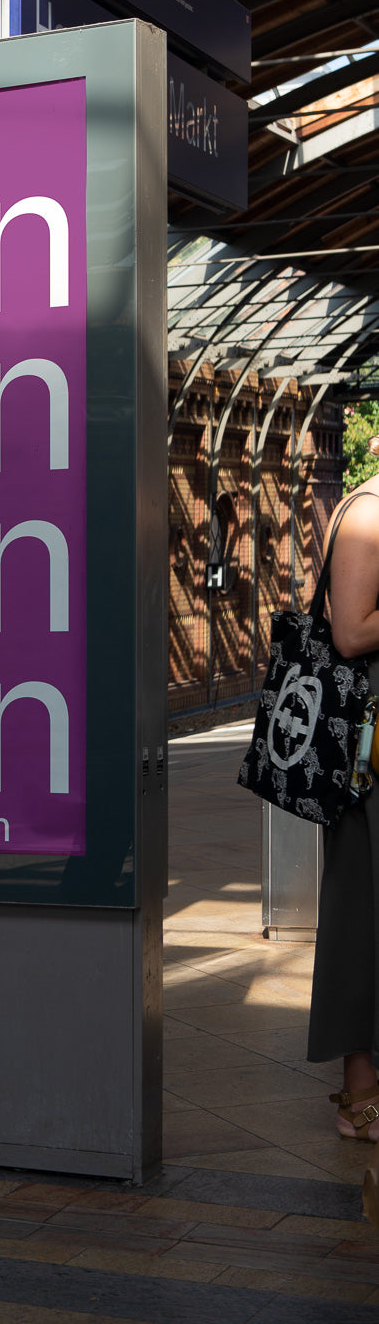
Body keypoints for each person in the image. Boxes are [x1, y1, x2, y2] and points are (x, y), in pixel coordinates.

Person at [308, 449, 379, 1139]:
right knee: (360, 905)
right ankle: (360, 1097)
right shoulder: (366, 515)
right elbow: (352, 633)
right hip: (365, 753)